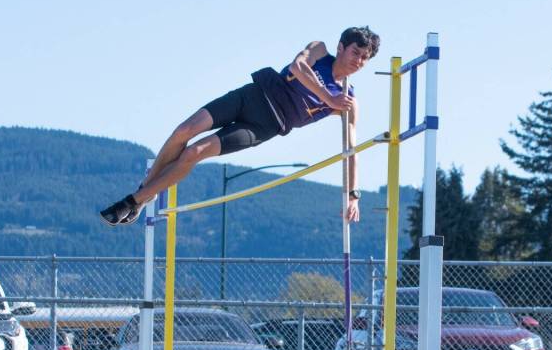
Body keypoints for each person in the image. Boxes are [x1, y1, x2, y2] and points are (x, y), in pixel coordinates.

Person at [99, 26, 381, 227]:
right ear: (341, 47)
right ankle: (144, 194)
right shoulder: (320, 52)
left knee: (194, 153)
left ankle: (134, 200)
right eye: (355, 52)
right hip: (252, 96)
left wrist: (353, 195)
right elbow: (297, 67)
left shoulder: (347, 101)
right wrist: (328, 96)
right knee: (183, 132)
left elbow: (350, 148)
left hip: (264, 125)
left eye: (364, 59)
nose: (358, 61)